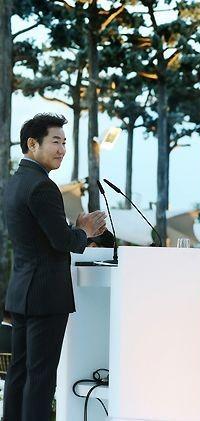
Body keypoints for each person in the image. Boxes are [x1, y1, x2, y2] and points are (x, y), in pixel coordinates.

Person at [2, 113, 107, 420]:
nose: (62, 149)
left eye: (64, 143)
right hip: (46, 294)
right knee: (41, 378)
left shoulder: (16, 182)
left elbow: (42, 237)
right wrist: (84, 231)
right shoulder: (43, 186)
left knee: (19, 373)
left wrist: (75, 230)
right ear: (32, 144)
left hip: (22, 291)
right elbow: (62, 242)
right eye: (55, 142)